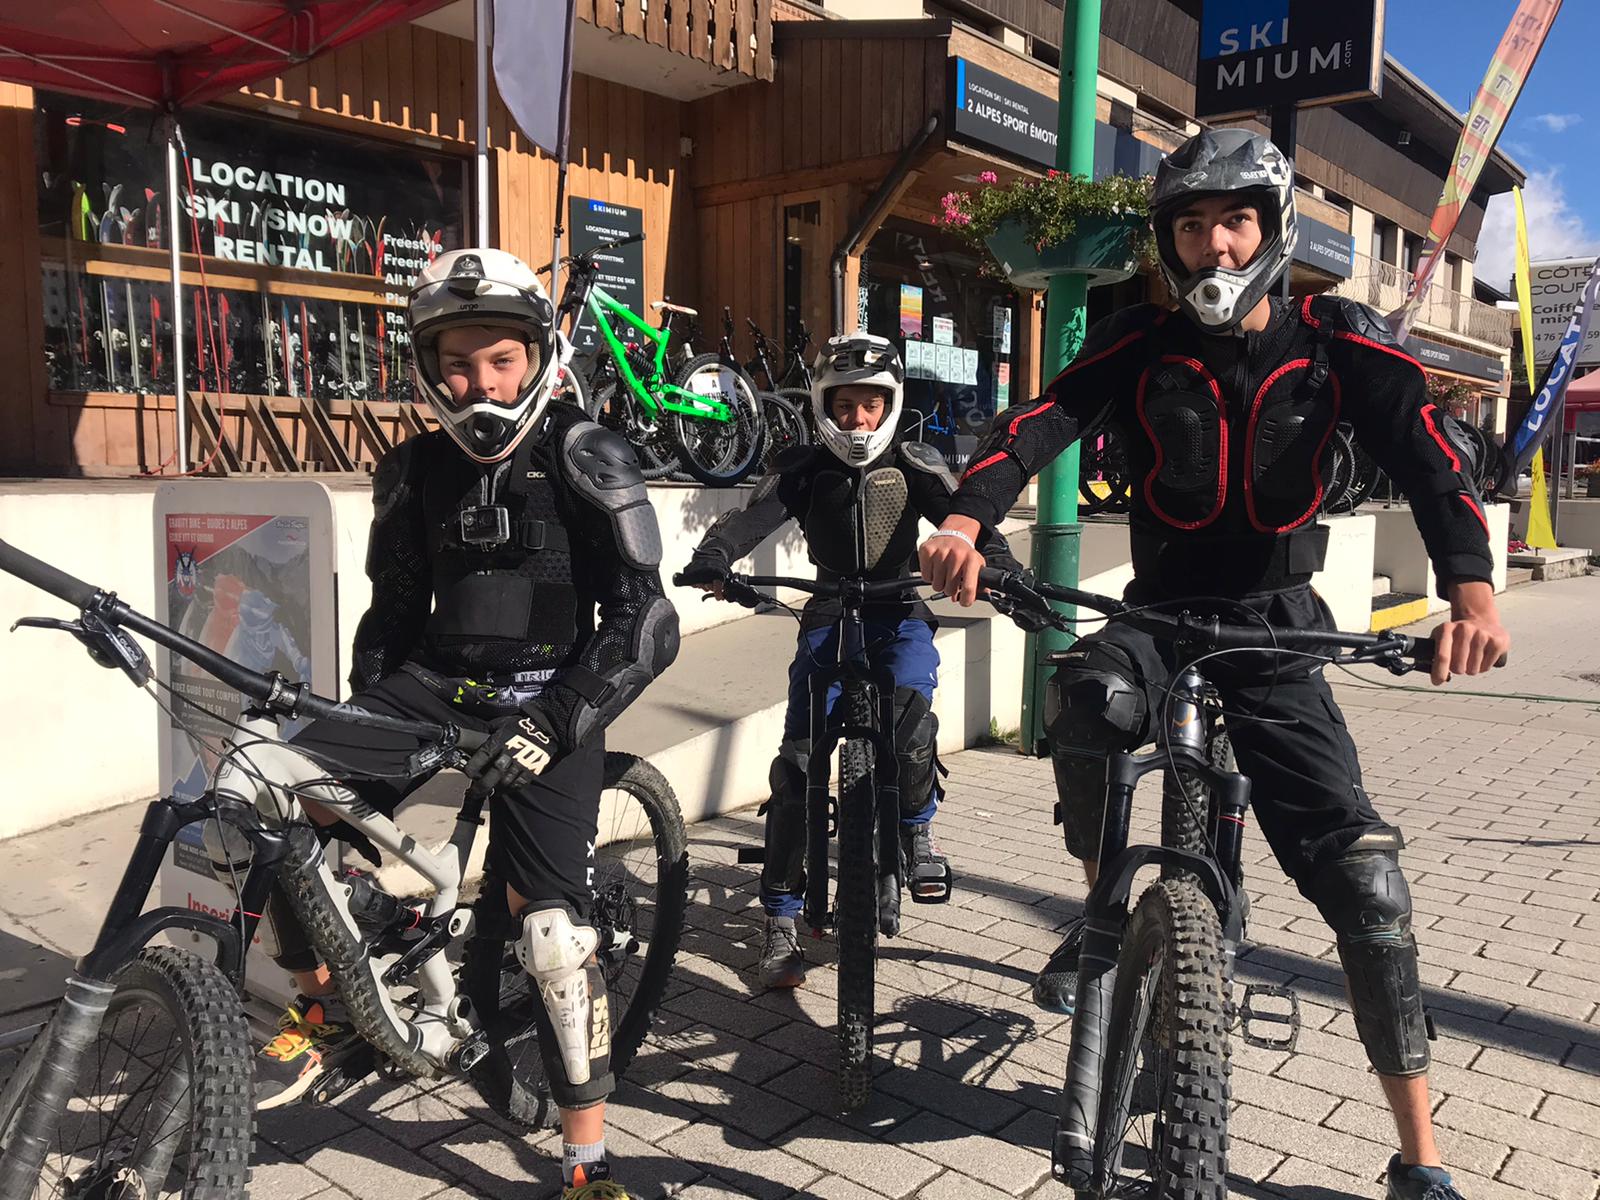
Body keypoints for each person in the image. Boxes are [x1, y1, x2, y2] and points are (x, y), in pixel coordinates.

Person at [919, 130, 1511, 1200]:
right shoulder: (1138, 338)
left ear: (1271, 229)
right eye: (1189, 225)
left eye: (1232, 219)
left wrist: (1470, 590)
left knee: (1368, 888)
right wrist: (965, 519)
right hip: (1164, 611)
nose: (1211, 243)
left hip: (1279, 629)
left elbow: (1430, 451)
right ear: (1167, 241)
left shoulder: (1337, 341)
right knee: (1088, 699)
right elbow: (1039, 419)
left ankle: (1419, 1158)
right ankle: (1104, 905)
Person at [249, 248, 679, 1200]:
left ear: (539, 355)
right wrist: (351, 732)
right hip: (434, 686)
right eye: (456, 363)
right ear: (425, 366)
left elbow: (647, 620)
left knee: (555, 937)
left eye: (500, 361)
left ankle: (586, 1159)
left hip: (551, 699)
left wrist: (561, 718)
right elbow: (392, 617)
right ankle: (323, 1015)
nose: (478, 383)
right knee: (266, 788)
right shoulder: (408, 469)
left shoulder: (587, 452)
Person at [680, 333, 1026, 988]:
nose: (858, 420)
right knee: (798, 769)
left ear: (891, 403)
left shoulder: (915, 462)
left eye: (871, 404)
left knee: (913, 719)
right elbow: (750, 521)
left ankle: (919, 831)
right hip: (828, 616)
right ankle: (779, 917)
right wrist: (715, 558)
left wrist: (1005, 575)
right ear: (822, 405)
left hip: (899, 617)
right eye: (844, 405)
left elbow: (966, 521)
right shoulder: (801, 467)